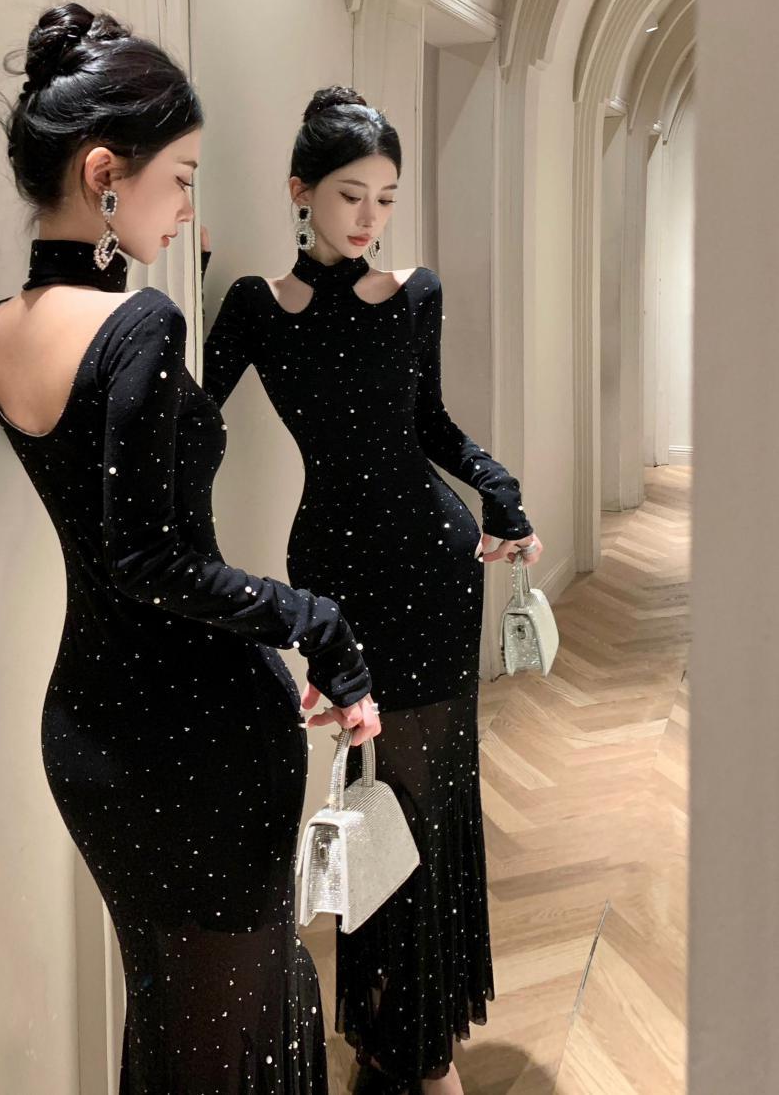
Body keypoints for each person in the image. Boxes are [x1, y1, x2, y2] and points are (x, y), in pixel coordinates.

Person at [0, 10, 380, 1094]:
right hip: (199, 739)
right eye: (183, 178)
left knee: (172, 1022)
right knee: (229, 1033)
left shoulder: (1, 329)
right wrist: (319, 622)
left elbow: (116, 542)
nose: (190, 206)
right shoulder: (140, 328)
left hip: (92, 734)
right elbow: (154, 561)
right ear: (105, 174)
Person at [201, 87, 543, 1095]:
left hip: (433, 567)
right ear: (300, 191)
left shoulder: (417, 294)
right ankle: (395, 1029)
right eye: (352, 194)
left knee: (430, 800)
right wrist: (187, 273)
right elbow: (190, 417)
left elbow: (430, 426)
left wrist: (500, 492)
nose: (369, 218)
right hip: (338, 583)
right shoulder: (256, 309)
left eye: (386, 198)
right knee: (369, 800)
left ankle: (423, 1051)